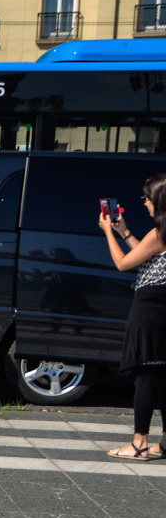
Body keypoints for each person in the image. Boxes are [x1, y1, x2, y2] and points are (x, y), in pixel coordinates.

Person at [100, 175, 166, 460]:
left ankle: (139, 443)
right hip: (162, 307)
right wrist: (125, 232)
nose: (145, 203)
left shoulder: (160, 232)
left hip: (149, 308)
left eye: (148, 198)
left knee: (144, 374)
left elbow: (123, 263)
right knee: (163, 375)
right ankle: (165, 443)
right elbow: (147, 255)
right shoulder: (160, 234)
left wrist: (108, 231)